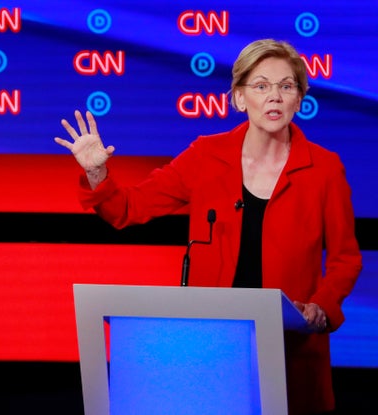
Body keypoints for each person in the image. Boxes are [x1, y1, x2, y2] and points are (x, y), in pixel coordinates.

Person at [54, 39, 362, 415]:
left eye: (287, 86)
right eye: (261, 85)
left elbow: (346, 258)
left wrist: (320, 308)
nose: (275, 97)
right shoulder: (206, 155)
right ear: (238, 97)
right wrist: (96, 171)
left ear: (300, 99)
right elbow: (127, 209)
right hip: (213, 348)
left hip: (290, 349)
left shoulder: (325, 169)